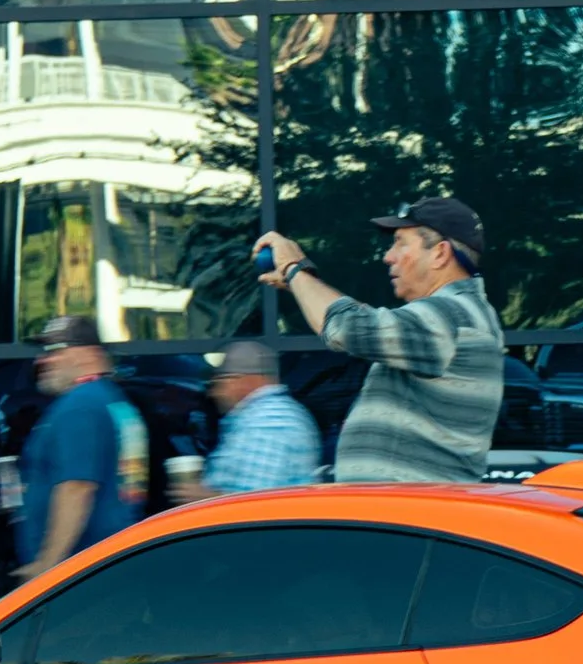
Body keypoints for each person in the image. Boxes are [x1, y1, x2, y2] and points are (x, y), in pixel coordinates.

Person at [251, 195, 505, 487]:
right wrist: (304, 283)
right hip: (409, 517)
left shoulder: (451, 314)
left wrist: (294, 269)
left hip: (412, 518)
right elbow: (365, 325)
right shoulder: (455, 315)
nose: (388, 256)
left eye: (400, 242)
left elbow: (347, 328)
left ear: (439, 254)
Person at [18, 316, 148, 581]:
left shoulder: (80, 405)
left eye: (56, 350)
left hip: (82, 576)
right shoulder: (112, 399)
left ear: (89, 354)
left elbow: (77, 487)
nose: (42, 361)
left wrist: (46, 569)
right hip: (114, 562)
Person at [189, 337, 324, 497]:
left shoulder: (269, 421)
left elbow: (253, 502)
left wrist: (200, 496)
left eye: (220, 381)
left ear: (247, 380)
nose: (214, 392)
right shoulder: (259, 416)